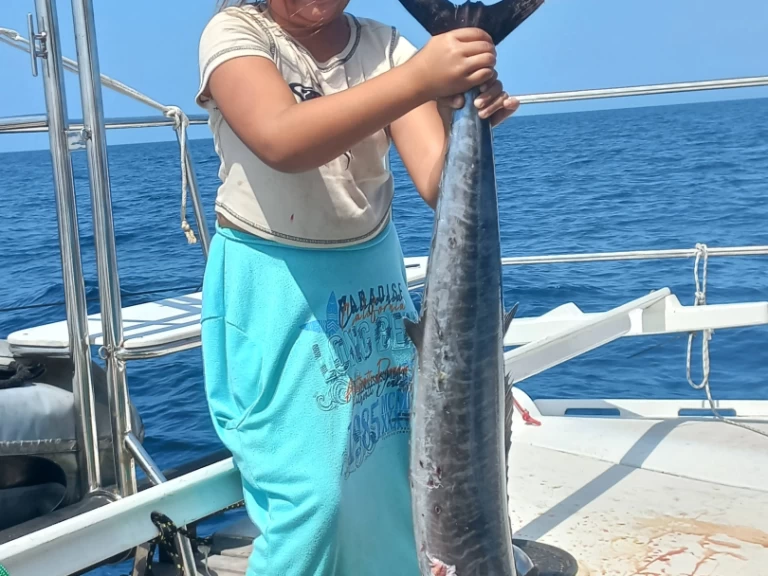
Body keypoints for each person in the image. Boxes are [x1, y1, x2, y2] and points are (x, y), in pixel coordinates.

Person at [194, 1, 520, 574]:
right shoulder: (235, 33)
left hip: (372, 276)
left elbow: (437, 181)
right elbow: (280, 139)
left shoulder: (386, 48)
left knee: (393, 471)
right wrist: (420, 78)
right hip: (277, 287)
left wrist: (465, 115)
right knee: (313, 496)